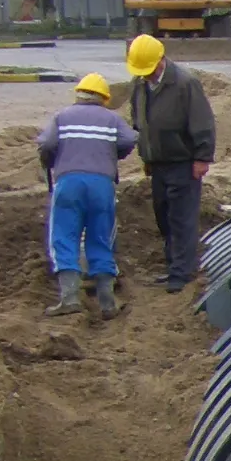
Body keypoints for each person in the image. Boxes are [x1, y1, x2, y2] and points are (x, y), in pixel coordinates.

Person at [35, 74, 137, 318]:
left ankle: (69, 298)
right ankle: (107, 302)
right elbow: (130, 138)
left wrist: (51, 161)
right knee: (101, 237)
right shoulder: (112, 119)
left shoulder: (62, 117)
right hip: (102, 184)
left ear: (78, 94)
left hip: (68, 182)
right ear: (104, 98)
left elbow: (46, 144)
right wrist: (112, 154)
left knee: (64, 235)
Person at [125, 34, 215, 292]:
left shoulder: (185, 84)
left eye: (150, 69)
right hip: (158, 163)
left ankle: (182, 272)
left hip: (184, 162)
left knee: (181, 218)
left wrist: (202, 157)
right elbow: (139, 121)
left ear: (161, 60)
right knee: (164, 217)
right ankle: (173, 265)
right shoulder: (140, 86)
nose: (147, 75)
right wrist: (147, 155)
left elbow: (203, 123)